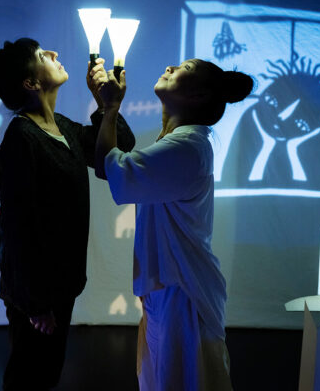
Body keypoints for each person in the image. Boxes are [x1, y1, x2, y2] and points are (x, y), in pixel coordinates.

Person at [0, 38, 135, 390]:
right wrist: (35, 304)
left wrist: (106, 104)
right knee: (29, 377)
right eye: (43, 55)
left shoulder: (61, 127)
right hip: (37, 293)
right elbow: (17, 229)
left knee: (46, 374)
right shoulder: (21, 138)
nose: (55, 54)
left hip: (60, 284)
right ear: (31, 83)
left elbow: (116, 151)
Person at [92, 59, 254, 390]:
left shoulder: (185, 146)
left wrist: (110, 108)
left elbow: (113, 170)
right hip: (174, 286)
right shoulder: (180, 142)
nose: (170, 67)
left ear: (197, 96)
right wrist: (107, 106)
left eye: (185, 68)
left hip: (182, 292)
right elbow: (112, 166)